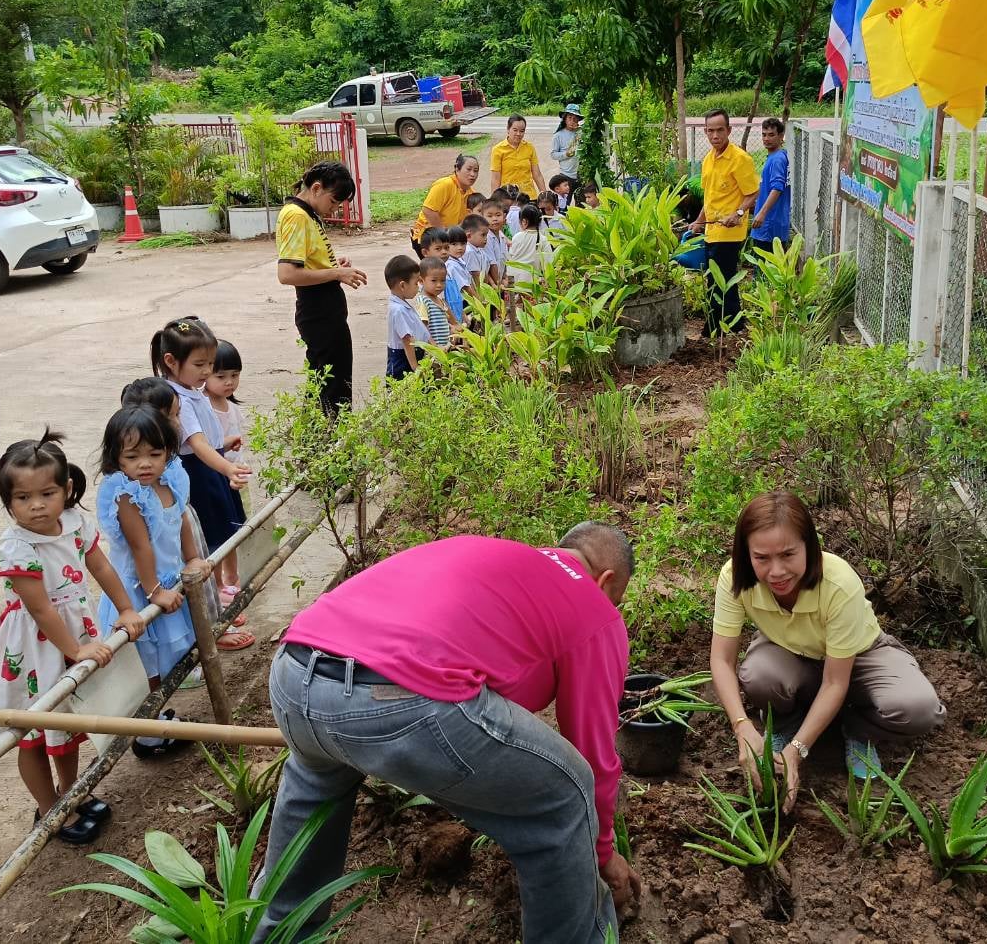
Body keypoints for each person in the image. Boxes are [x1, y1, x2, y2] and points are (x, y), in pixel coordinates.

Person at [252, 526, 639, 944]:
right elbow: (594, 752)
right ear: (607, 581)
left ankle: (274, 934)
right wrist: (602, 854)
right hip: (397, 704)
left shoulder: (500, 558)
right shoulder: (592, 605)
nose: (612, 609)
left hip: (294, 675)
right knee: (566, 795)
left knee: (315, 782)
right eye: (616, 600)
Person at [709, 491, 945, 806]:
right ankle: (788, 725)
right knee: (760, 676)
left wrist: (797, 752)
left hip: (861, 657)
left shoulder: (838, 583)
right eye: (762, 558)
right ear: (746, 554)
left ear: (809, 546)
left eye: (788, 554)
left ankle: (856, 728)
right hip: (792, 652)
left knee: (917, 709)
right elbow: (722, 660)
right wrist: (741, 727)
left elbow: (835, 681)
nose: (776, 571)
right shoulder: (734, 578)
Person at [0, 430, 145, 845]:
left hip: (75, 637)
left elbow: (102, 569)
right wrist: (74, 650)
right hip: (35, 650)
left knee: (66, 729)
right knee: (33, 734)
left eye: (47, 493)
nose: (36, 506)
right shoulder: (17, 548)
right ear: (7, 502)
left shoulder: (74, 523)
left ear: (67, 489)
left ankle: (71, 794)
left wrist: (125, 608)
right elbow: (40, 609)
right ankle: (49, 808)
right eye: (22, 498)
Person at [95, 406, 212, 757]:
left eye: (154, 454)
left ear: (169, 452)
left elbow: (181, 520)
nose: (144, 464)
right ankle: (146, 732)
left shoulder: (169, 480)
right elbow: (140, 545)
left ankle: (158, 716)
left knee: (165, 661)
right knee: (149, 663)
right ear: (116, 458)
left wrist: (191, 556)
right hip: (140, 591)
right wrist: (154, 592)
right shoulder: (128, 496)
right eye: (132, 456)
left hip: (166, 582)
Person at [149, 317, 256, 653]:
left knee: (213, 545)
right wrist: (227, 468)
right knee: (202, 553)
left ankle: (216, 608)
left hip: (208, 468)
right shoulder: (175, 397)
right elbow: (195, 442)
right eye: (200, 364)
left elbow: (206, 439)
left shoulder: (191, 391)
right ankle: (212, 624)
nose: (207, 372)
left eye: (210, 364)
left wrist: (223, 444)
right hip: (198, 474)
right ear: (171, 362)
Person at [276, 161, 368, 416]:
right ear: (317, 188)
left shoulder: (306, 213)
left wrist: (332, 266)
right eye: (334, 202)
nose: (335, 209)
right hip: (317, 310)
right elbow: (287, 274)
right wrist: (337, 273)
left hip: (325, 309)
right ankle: (329, 443)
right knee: (331, 383)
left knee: (327, 379)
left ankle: (320, 440)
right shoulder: (295, 215)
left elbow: (309, 262)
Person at [689, 110, 760, 336]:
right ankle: (734, 324)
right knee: (721, 279)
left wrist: (738, 213)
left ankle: (714, 328)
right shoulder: (708, 160)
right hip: (712, 230)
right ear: (705, 132)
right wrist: (698, 222)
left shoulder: (740, 159)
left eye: (720, 130)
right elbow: (709, 198)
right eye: (711, 131)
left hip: (729, 233)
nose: (715, 135)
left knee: (719, 280)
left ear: (729, 131)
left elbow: (753, 193)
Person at [206, 341, 249, 609]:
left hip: (237, 476)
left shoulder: (232, 407)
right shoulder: (204, 409)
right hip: (218, 477)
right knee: (220, 533)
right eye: (220, 376)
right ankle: (220, 583)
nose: (229, 382)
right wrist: (224, 443)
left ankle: (232, 576)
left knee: (234, 529)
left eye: (234, 375)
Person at [384, 255, 430, 379]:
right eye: (416, 283)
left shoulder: (403, 306)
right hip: (403, 359)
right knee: (402, 389)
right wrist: (415, 367)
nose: (419, 287)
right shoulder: (398, 310)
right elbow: (407, 340)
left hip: (411, 355)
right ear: (403, 285)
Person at [753, 117, 792, 251]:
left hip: (769, 226)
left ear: (781, 136)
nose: (766, 139)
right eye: (764, 135)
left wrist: (762, 214)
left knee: (765, 268)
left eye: (771, 135)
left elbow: (777, 188)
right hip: (774, 223)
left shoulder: (777, 159)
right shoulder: (779, 156)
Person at [489, 115, 544, 198]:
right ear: (508, 129)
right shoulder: (497, 150)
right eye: (515, 130)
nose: (518, 134)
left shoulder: (529, 147)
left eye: (522, 131)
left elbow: (537, 174)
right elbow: (496, 179)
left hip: (529, 196)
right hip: (508, 197)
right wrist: (494, 200)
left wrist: (544, 194)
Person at [415, 257, 455, 349]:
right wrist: (434, 346)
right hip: (433, 351)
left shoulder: (439, 300)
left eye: (443, 280)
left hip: (444, 348)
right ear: (421, 281)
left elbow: (442, 322)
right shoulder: (423, 301)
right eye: (434, 280)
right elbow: (423, 327)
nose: (439, 285)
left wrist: (452, 328)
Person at [506, 204, 547, 285]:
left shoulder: (517, 237)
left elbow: (511, 258)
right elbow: (548, 262)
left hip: (517, 280)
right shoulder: (543, 239)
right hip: (534, 280)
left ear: (524, 222)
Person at [551, 103, 583, 182]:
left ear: (578, 120)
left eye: (575, 119)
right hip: (566, 174)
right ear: (564, 119)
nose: (572, 121)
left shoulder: (581, 133)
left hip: (581, 174)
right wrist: (566, 154)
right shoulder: (558, 135)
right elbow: (553, 154)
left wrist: (579, 132)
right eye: (570, 118)